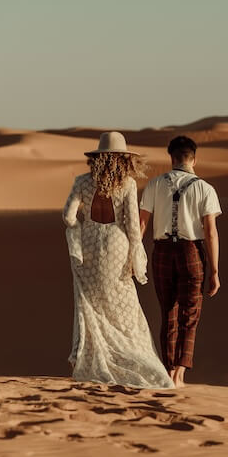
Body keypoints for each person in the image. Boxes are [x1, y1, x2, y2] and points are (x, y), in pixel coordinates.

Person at [62, 131, 174, 389]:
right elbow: (133, 226)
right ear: (123, 159)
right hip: (117, 246)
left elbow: (68, 216)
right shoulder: (128, 185)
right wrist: (136, 256)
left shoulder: (81, 182)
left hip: (89, 247)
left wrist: (78, 232)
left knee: (91, 303)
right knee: (124, 308)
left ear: (97, 158)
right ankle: (138, 362)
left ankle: (89, 360)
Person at [139, 135, 222, 388]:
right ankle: (180, 375)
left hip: (162, 251)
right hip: (191, 252)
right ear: (194, 159)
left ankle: (168, 369)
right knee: (190, 314)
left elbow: (141, 224)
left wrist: (135, 253)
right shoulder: (205, 188)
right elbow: (210, 232)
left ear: (171, 158)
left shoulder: (154, 185)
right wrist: (215, 271)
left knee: (169, 313)